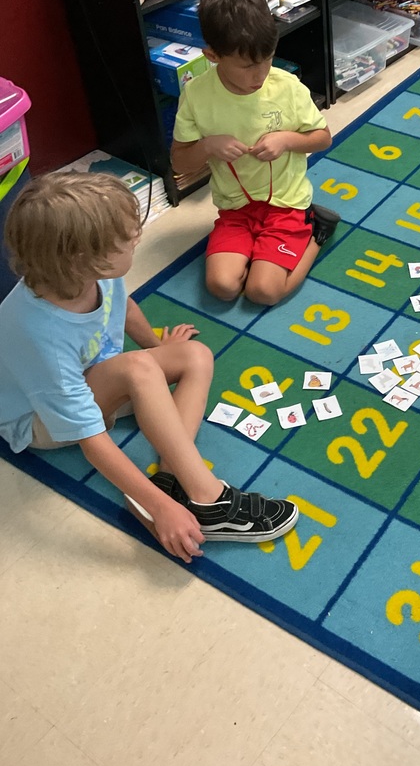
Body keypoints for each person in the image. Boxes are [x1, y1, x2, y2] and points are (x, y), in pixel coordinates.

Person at [0, 173, 299, 562]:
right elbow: (90, 437)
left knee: (194, 355)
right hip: (38, 421)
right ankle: (209, 500)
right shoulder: (37, 332)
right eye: (128, 238)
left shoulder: (88, 274)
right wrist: (160, 509)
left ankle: (170, 479)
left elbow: (122, 307)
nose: (138, 238)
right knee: (138, 368)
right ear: (83, 257)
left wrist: (159, 350)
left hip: (97, 377)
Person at [170, 0, 340, 307]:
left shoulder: (286, 87)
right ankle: (262, 254)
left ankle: (318, 233)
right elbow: (179, 162)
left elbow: (322, 139)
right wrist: (207, 146)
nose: (260, 74)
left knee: (263, 292)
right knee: (222, 286)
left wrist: (286, 140)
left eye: (268, 58)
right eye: (247, 66)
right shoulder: (196, 95)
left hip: (287, 205)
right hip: (235, 210)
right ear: (212, 55)